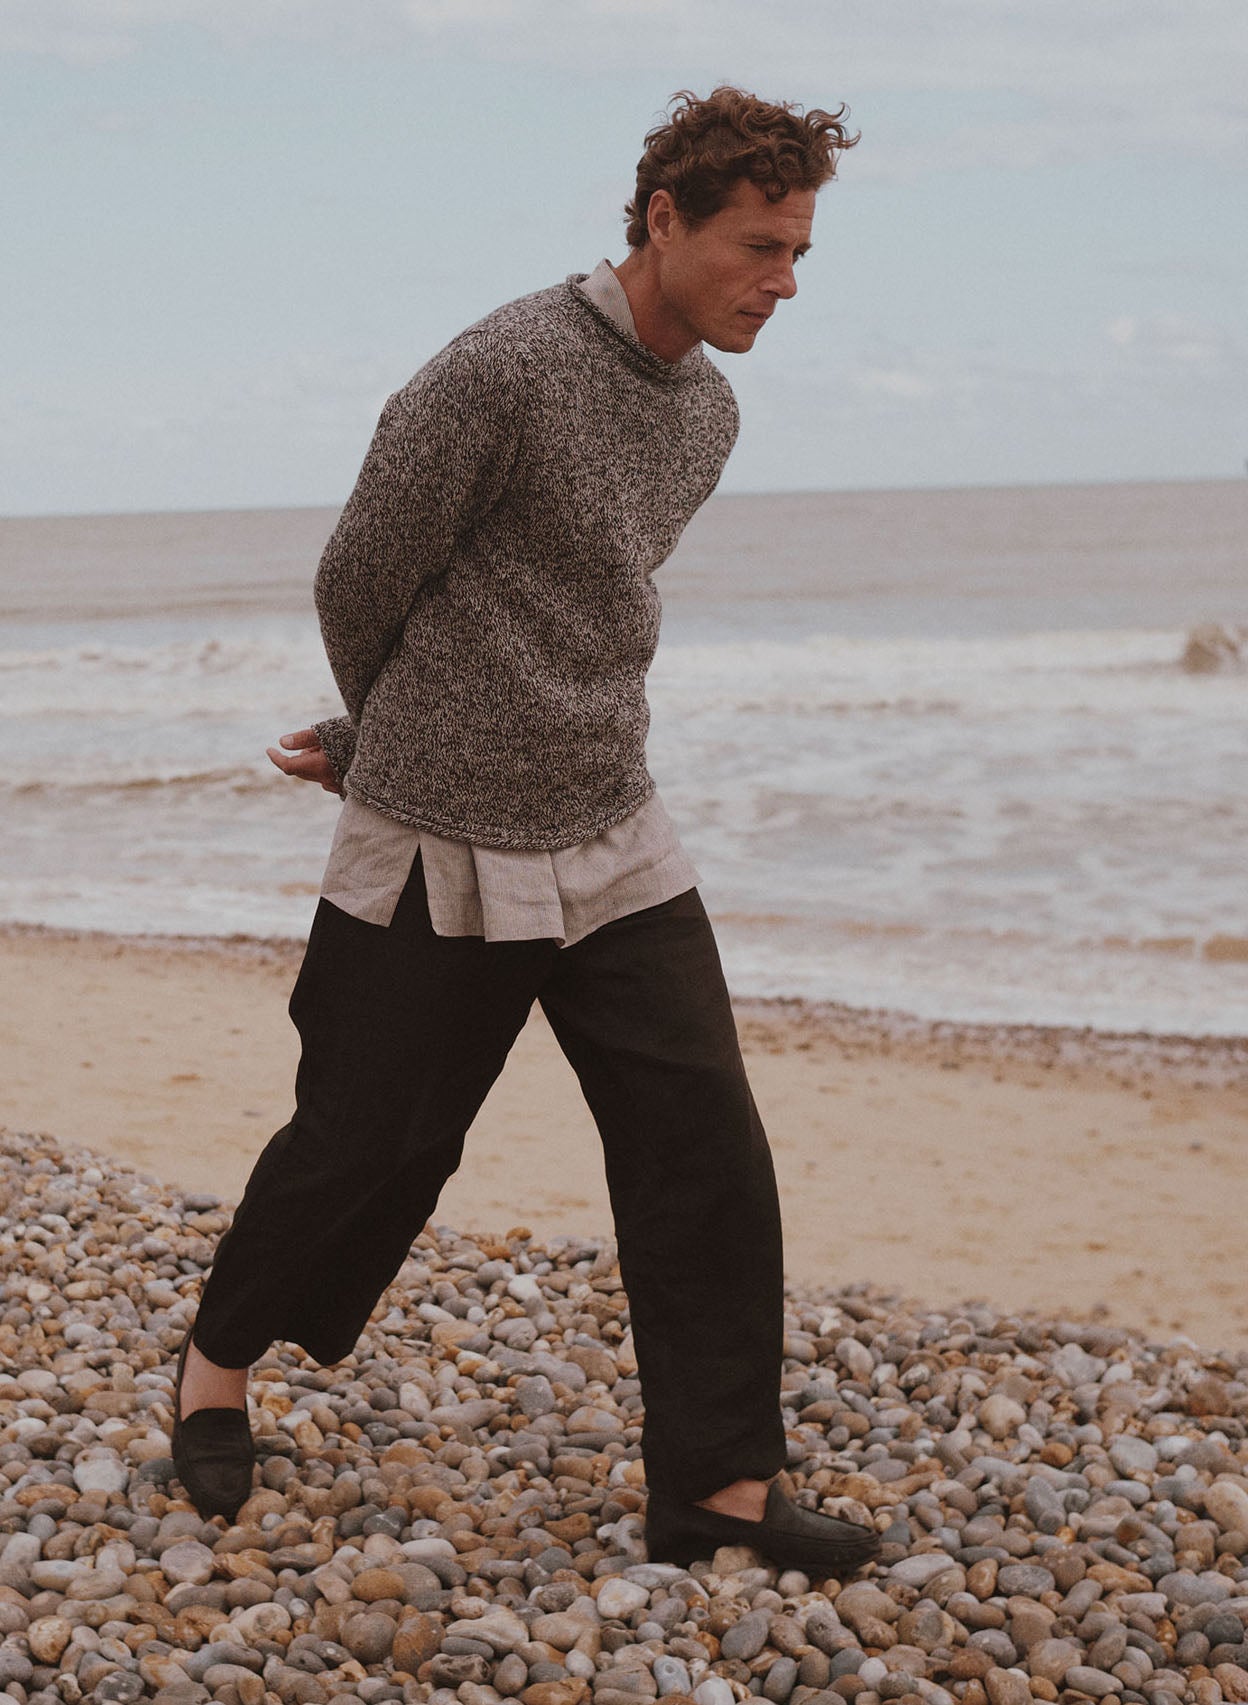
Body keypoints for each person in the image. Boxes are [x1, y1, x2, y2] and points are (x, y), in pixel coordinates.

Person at [172, 85, 879, 1575]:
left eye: (801, 249)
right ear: (663, 220)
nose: (787, 282)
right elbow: (361, 579)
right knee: (370, 1141)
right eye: (762, 245)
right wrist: (396, 743)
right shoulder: (498, 371)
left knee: (706, 1147)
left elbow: (578, 609)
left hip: (614, 824)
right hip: (440, 832)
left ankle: (720, 1487)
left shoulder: (709, 414)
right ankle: (220, 1355)